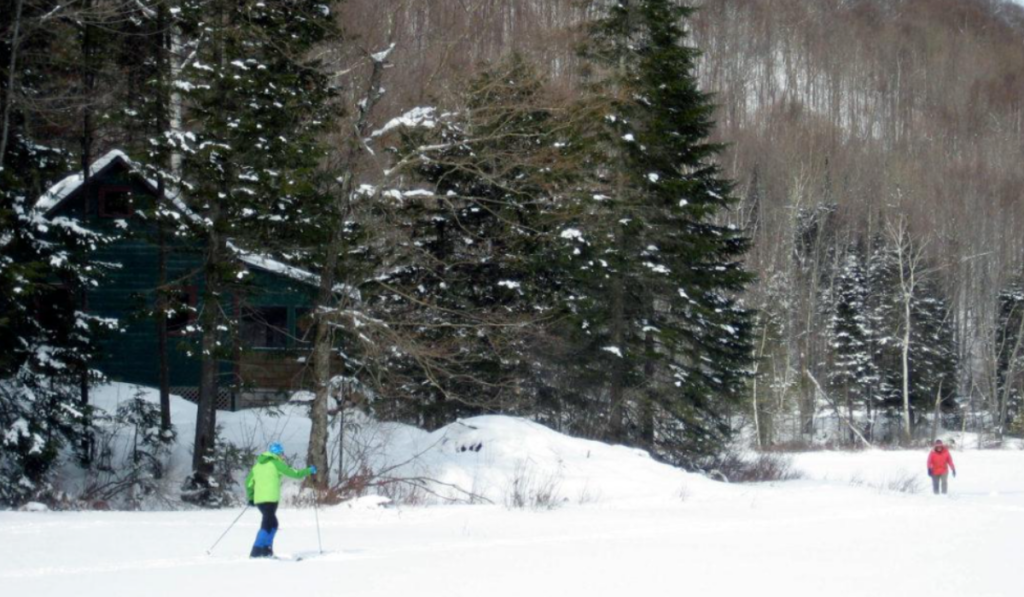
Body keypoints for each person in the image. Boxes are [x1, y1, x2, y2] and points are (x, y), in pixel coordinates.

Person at [245, 442, 316, 558]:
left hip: (260, 501)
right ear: (277, 454)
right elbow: (294, 473)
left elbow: (248, 482)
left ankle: (266, 550)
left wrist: (251, 497)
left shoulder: (257, 466)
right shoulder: (276, 463)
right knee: (268, 524)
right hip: (270, 499)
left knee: (272, 523)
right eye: (282, 454)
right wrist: (309, 471)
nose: (283, 456)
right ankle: (256, 551)